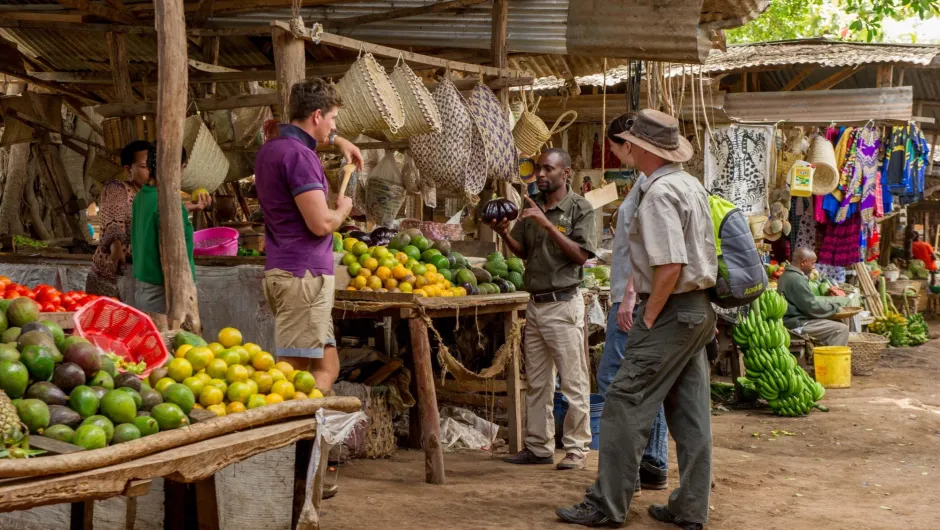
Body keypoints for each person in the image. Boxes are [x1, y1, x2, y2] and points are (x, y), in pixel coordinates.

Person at [557, 109, 717, 529]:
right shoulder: (689, 184)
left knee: (623, 405)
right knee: (691, 414)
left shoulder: (660, 193)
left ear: (642, 147)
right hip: (697, 309)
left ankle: (608, 505)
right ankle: (690, 507)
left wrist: (647, 314)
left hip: (670, 308)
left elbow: (669, 266)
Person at [487, 148, 597, 471]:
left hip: (564, 305)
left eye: (548, 169)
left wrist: (548, 225)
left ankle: (577, 449)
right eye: (539, 170)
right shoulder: (532, 207)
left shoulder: (580, 209)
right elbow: (523, 251)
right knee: (537, 382)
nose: (541, 175)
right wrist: (505, 233)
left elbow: (581, 256)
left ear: (566, 173)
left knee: (573, 381)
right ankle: (538, 446)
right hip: (535, 306)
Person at [254, 78, 362, 394]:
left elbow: (302, 139)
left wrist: (339, 141)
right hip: (303, 277)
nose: (333, 127)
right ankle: (285, 437)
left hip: (287, 272)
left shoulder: (271, 150)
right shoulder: (301, 158)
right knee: (291, 376)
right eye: (332, 120)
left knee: (327, 367)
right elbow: (320, 224)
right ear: (316, 116)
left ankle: (311, 440)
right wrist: (343, 210)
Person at [597, 112, 669, 493]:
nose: (613, 154)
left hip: (632, 299)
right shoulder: (646, 182)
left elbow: (650, 250)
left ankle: (650, 461)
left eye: (614, 147)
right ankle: (651, 460)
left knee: (619, 379)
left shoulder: (651, 186)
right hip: (632, 295)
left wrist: (630, 297)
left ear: (628, 144)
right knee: (636, 380)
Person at [130, 145, 210, 329]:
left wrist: (187, 208)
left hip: (144, 286)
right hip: (164, 291)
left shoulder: (141, 196)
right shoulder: (169, 204)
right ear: (178, 167)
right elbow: (171, 254)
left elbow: (155, 218)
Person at [85, 140, 152, 299]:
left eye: (153, 165)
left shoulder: (157, 196)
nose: (151, 171)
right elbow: (114, 220)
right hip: (110, 276)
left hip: (142, 277)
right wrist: (116, 247)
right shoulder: (117, 189)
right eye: (144, 167)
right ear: (128, 169)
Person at [777, 247, 849, 347]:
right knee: (841, 329)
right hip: (796, 324)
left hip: (794, 320)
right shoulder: (796, 279)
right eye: (812, 263)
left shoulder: (787, 275)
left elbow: (807, 303)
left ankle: (822, 355)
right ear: (803, 262)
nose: (813, 267)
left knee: (837, 322)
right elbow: (811, 307)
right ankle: (829, 361)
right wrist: (834, 309)